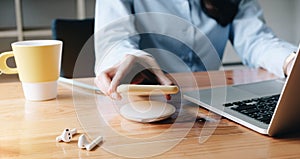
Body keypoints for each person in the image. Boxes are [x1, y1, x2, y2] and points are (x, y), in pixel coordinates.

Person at [94, 0, 298, 100]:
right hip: (144, 104)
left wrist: (291, 61)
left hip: (213, 104)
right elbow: (114, 39)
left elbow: (256, 39)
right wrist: (132, 59)